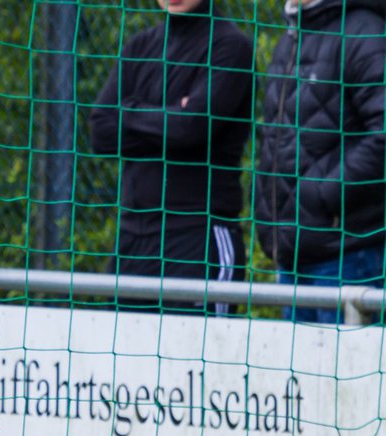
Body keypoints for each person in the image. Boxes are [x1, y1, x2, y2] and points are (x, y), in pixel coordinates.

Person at [88, 0, 254, 314]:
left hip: (198, 237)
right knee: (122, 357)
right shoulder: (140, 46)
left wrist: (129, 110)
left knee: (198, 358)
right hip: (132, 240)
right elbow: (101, 132)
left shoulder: (231, 47)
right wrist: (172, 114)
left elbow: (191, 127)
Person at [254, 0, 386, 323]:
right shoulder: (293, 34)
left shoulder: (364, 31)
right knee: (302, 373)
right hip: (293, 253)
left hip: (348, 253)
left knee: (352, 371)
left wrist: (323, 194)